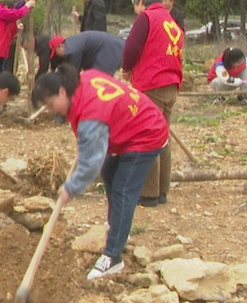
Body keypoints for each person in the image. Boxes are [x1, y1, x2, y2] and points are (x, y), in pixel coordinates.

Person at [32, 65, 169, 281]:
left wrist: (71, 187)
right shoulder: (83, 78)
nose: (51, 111)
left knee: (124, 189)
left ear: (62, 92)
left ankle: (113, 256)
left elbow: (91, 163)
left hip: (146, 133)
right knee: (109, 171)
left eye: (50, 105)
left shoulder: (90, 118)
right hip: (131, 126)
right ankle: (117, 225)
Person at [122, 0, 184, 207]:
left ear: (140, 1)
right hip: (171, 82)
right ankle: (162, 189)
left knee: (148, 136)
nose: (135, 9)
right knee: (163, 136)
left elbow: (131, 47)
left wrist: (126, 69)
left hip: (152, 82)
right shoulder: (171, 22)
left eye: (135, 5)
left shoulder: (147, 18)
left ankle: (148, 193)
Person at [49, 31, 125, 75]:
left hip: (110, 50)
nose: (57, 55)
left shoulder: (72, 50)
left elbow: (73, 74)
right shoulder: (72, 43)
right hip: (106, 48)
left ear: (61, 46)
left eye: (56, 52)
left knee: (99, 80)